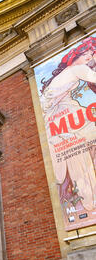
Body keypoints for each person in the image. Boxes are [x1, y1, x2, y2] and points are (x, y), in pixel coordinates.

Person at [40, 36, 96, 212]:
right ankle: (89, 199)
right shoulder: (78, 69)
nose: (90, 57)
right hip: (59, 116)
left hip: (57, 116)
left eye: (92, 54)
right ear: (77, 54)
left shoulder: (69, 71)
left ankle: (83, 198)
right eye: (87, 54)